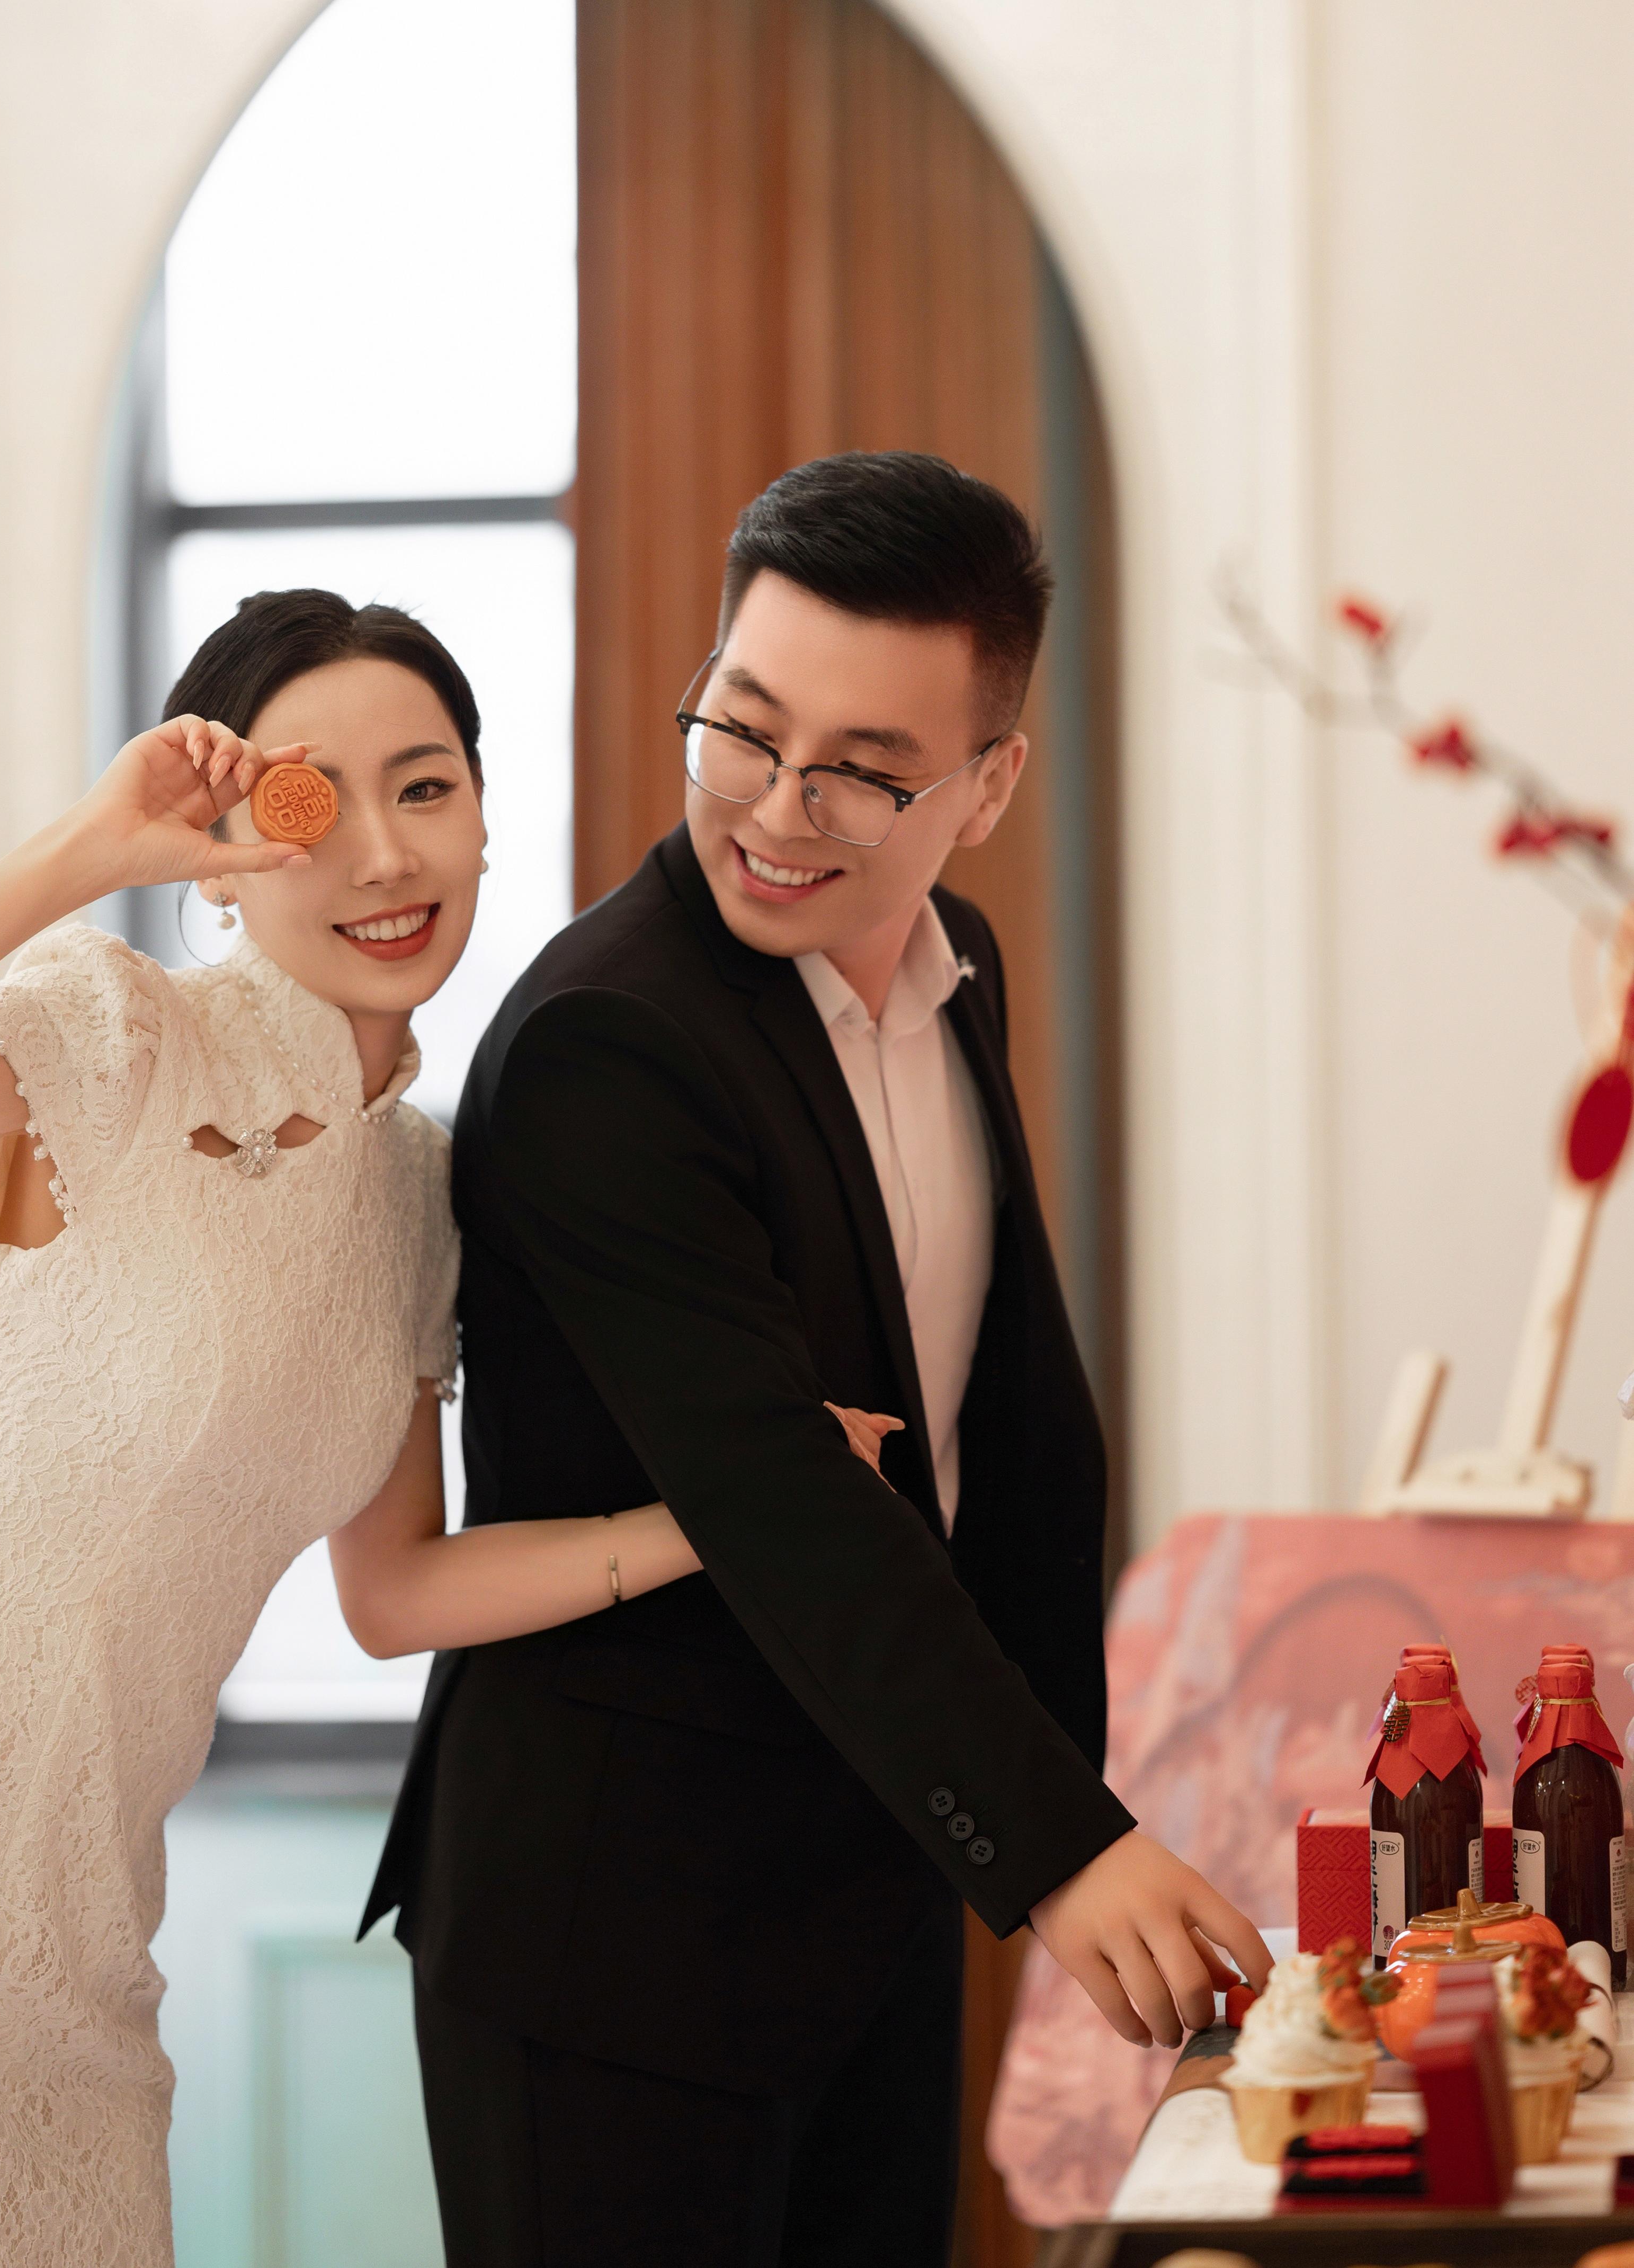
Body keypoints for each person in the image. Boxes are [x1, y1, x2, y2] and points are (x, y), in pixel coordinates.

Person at [0, 591, 886, 2266]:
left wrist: (724, 1512)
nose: (383, 853)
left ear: (485, 814)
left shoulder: (422, 1189)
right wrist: (87, 846)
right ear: (224, 858)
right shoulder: (119, 1034)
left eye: (426, 786)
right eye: (312, 804)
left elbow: (396, 1591)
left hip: (81, 1925)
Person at [351, 454, 1271, 2267]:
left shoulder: (952, 963)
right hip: (616, 1941)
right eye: (744, 728)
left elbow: (1005, 1427)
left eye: (863, 767)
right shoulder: (608, 1042)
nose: (778, 809)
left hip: (870, 1892)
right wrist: (1058, 1844)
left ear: (986, 785)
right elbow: (782, 1495)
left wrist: (1043, 1810)